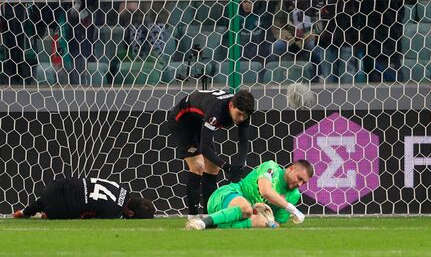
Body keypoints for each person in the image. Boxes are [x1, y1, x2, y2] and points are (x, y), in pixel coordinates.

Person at [167, 89, 255, 219]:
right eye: (239, 114)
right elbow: (204, 147)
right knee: (198, 165)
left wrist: (239, 168)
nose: (241, 118)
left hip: (198, 121)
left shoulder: (244, 112)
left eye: (245, 116)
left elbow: (243, 142)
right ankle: (193, 216)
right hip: (182, 121)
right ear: (231, 105)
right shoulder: (216, 110)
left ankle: (209, 215)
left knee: (213, 168)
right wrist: (227, 167)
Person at [186, 159, 314, 230]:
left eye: (304, 182)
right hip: (225, 196)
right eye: (299, 178)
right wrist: (291, 208)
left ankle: (216, 224)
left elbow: (277, 223)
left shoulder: (294, 195)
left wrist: (270, 223)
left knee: (262, 222)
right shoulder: (271, 168)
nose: (300, 184)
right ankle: (204, 222)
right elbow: (266, 191)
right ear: (291, 168)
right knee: (246, 208)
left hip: (238, 216)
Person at [12, 177, 155, 219]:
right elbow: (86, 217)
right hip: (57, 208)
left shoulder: (121, 186)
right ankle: (43, 214)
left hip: (55, 185)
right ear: (130, 213)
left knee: (43, 202)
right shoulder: (113, 212)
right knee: (80, 211)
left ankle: (24, 212)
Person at [0, 0, 39, 85]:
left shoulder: (29, 3)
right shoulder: (3, 4)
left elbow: (37, 22)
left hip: (26, 42)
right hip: (7, 41)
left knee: (26, 68)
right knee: (8, 67)